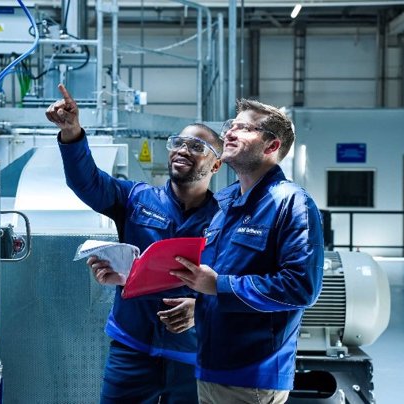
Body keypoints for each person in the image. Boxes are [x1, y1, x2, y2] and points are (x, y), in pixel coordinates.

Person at [46, 84, 223, 403]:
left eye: (196, 146)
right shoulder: (136, 198)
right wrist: (72, 133)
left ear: (216, 165)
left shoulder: (225, 220)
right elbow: (87, 182)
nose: (183, 150)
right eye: (178, 142)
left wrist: (204, 309)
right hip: (131, 351)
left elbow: (235, 284)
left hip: (195, 357)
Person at [171, 99, 324, 404]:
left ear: (271, 146)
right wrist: (199, 303)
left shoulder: (292, 204)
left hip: (253, 373)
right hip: (210, 364)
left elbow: (301, 287)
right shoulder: (225, 203)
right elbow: (216, 275)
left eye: (244, 128)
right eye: (231, 125)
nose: (229, 133)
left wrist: (219, 286)